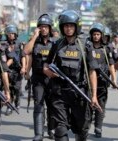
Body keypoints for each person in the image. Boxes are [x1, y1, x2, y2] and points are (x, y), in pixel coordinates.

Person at [43, 10, 101, 141]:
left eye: (71, 26)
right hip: (60, 92)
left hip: (79, 92)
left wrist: (94, 95)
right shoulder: (57, 44)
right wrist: (49, 73)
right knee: (60, 130)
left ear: (76, 27)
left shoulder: (86, 45)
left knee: (81, 130)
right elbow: (46, 65)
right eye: (66, 26)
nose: (68, 29)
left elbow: (92, 71)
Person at [23, 13, 55, 141]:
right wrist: (34, 36)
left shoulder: (55, 43)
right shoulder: (34, 42)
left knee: (52, 106)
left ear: (50, 28)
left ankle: (51, 129)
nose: (43, 29)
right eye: (41, 27)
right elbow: (26, 52)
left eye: (46, 27)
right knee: (38, 105)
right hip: (38, 78)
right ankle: (39, 133)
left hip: (52, 79)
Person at [86, 23, 117, 138]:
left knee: (101, 105)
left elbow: (111, 64)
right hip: (88, 83)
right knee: (88, 104)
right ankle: (86, 125)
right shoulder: (87, 47)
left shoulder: (106, 48)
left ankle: (98, 128)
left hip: (103, 82)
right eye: (94, 34)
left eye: (98, 34)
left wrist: (114, 79)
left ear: (102, 35)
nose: (96, 36)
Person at [4, 24, 26, 115]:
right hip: (8, 70)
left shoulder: (20, 44)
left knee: (17, 88)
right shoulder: (3, 44)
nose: (11, 35)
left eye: (13, 33)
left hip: (17, 70)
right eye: (9, 33)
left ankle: (17, 104)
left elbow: (23, 56)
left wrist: (24, 67)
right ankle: (9, 106)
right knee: (8, 89)